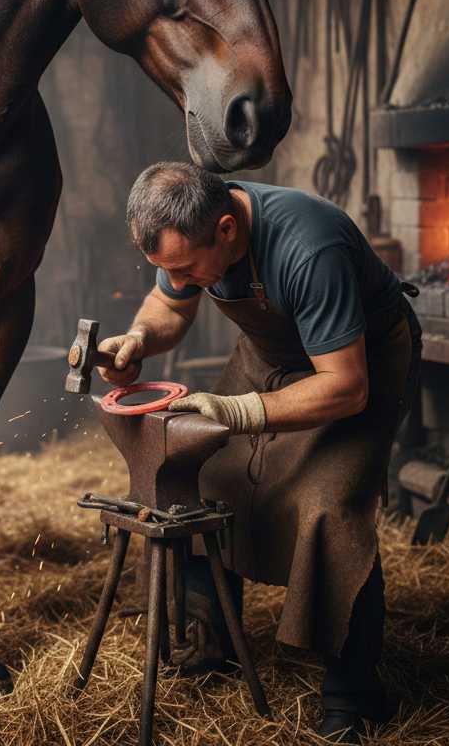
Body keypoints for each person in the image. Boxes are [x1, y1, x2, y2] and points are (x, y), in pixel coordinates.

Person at [97, 162, 422, 744]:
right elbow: (169, 306)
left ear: (226, 230)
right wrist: (139, 338)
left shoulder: (309, 248)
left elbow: (346, 386)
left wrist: (238, 412)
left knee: (327, 507)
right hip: (269, 356)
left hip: (353, 365)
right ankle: (208, 641)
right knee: (198, 475)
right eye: (167, 268)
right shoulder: (195, 234)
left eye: (185, 268)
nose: (178, 279)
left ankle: (352, 695)